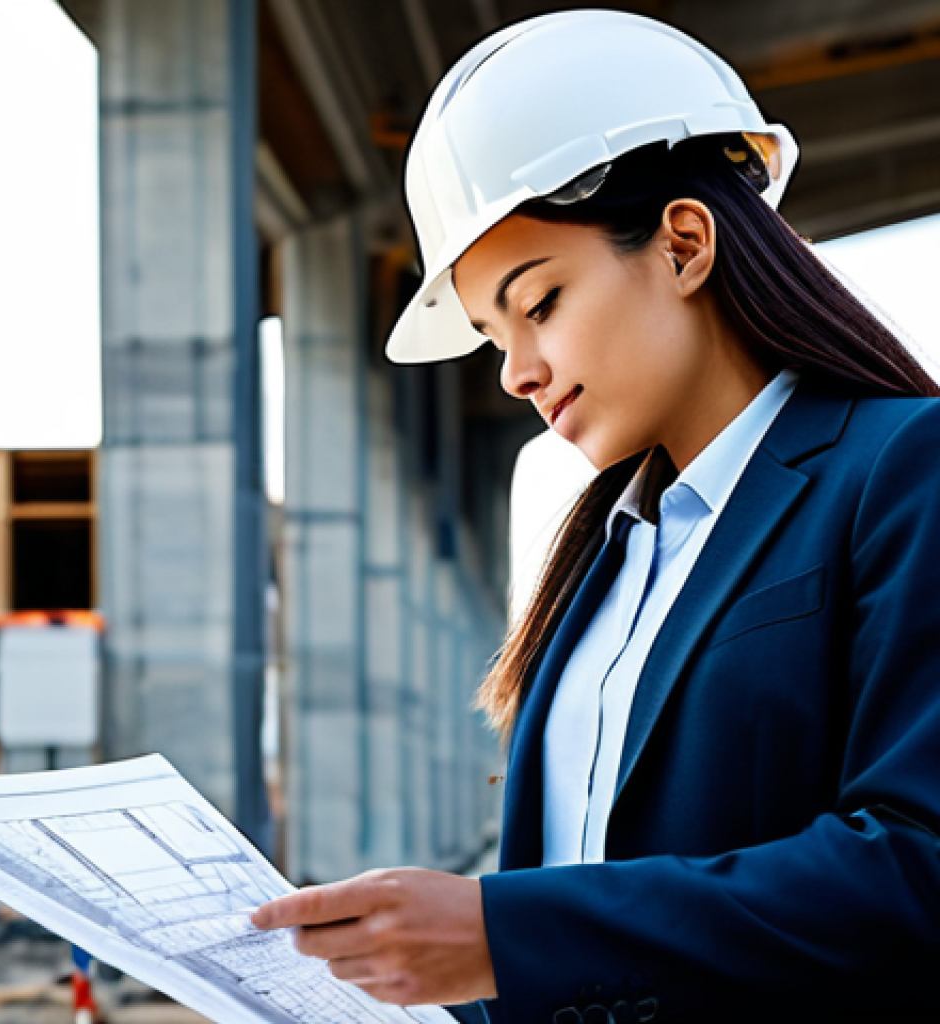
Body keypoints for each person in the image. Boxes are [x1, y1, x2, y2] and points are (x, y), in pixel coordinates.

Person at [252, 11, 940, 1022]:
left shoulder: (900, 467)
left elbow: (916, 869)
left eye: (539, 303)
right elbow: (576, 910)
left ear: (684, 243)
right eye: (492, 333)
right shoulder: (599, 567)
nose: (518, 372)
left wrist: (502, 931)